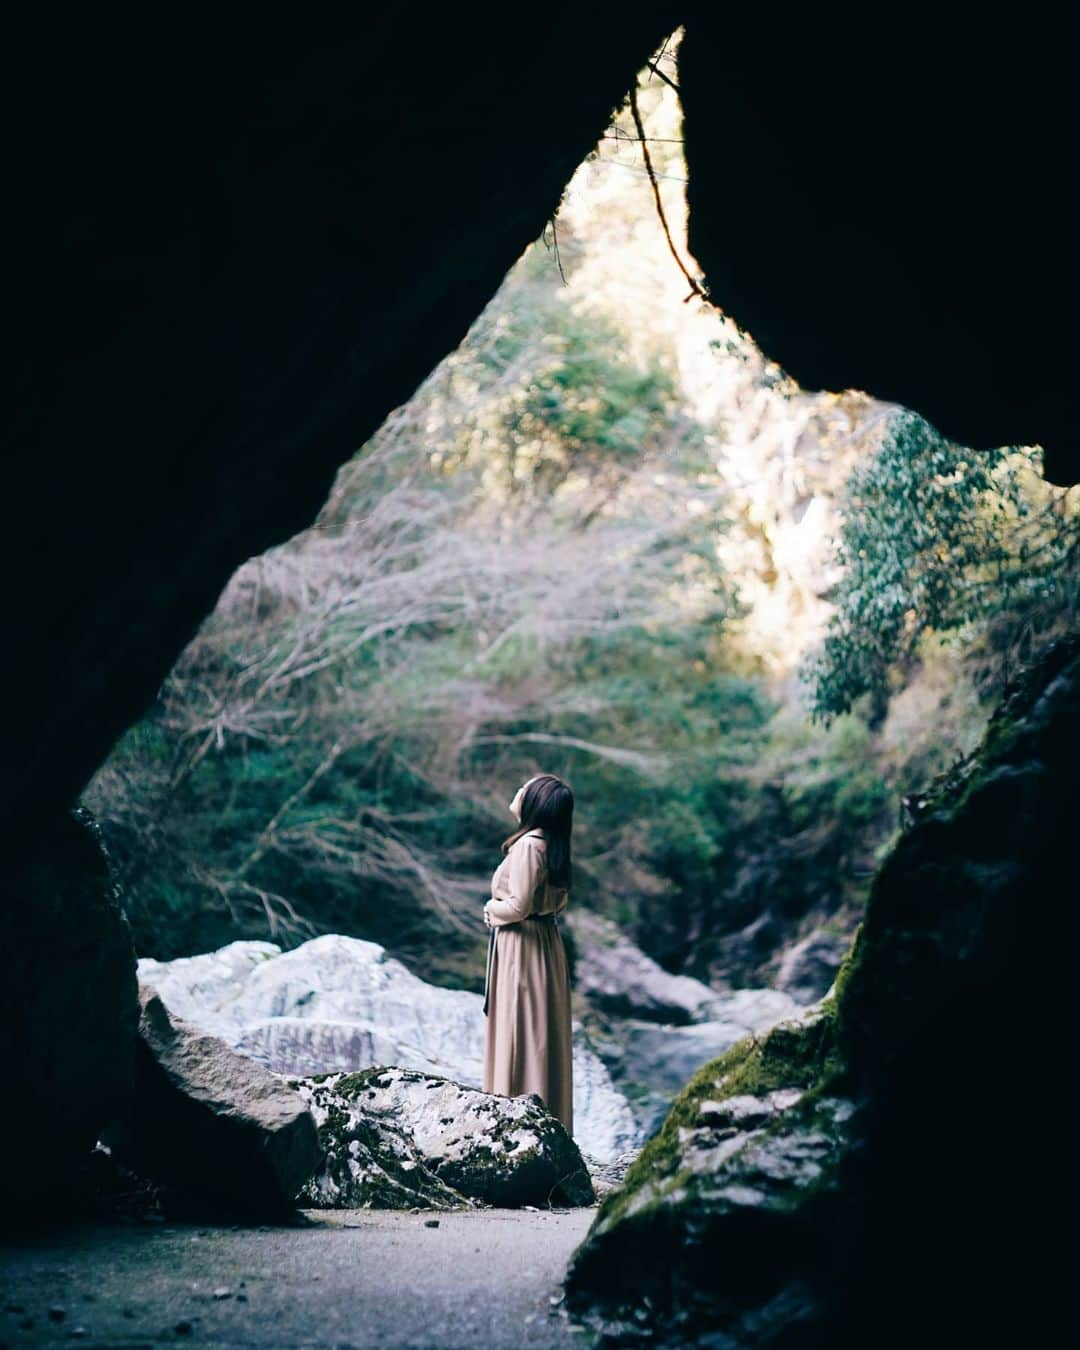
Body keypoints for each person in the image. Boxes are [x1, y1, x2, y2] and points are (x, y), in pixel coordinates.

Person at [482, 773, 574, 1136]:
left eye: (525, 788)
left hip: (523, 944)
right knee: (541, 1036)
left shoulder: (529, 846)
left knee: (521, 1031)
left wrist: (492, 909)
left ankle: (512, 1128)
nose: (518, 791)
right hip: (545, 944)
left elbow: (518, 905)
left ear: (535, 801)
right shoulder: (553, 843)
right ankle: (550, 1127)